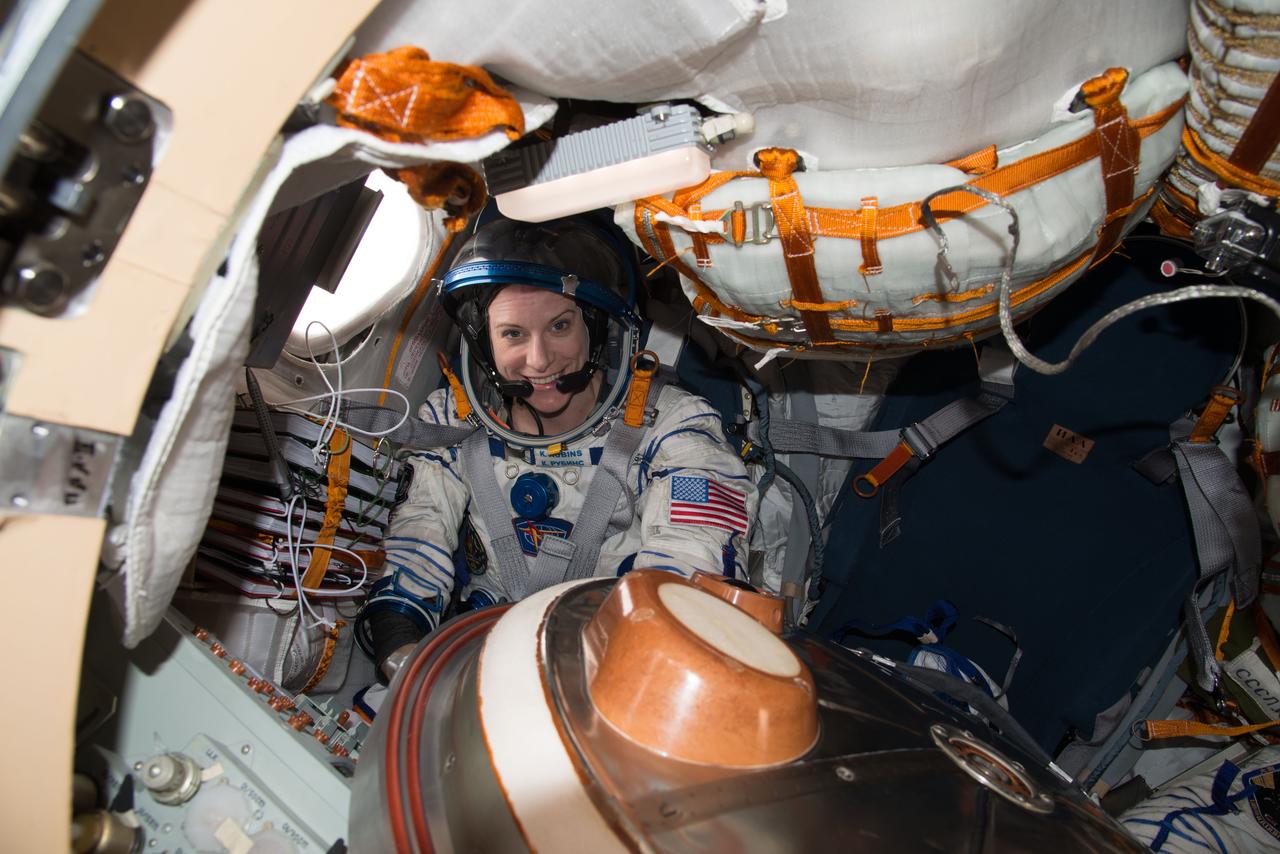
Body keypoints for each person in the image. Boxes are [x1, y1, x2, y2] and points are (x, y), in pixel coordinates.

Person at [359, 215, 757, 677]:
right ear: (484, 342)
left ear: (595, 328)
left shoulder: (673, 428)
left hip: (613, 661)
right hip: (482, 651)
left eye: (559, 326)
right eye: (512, 334)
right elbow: (416, 543)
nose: (539, 359)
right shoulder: (454, 421)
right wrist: (400, 649)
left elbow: (684, 572)